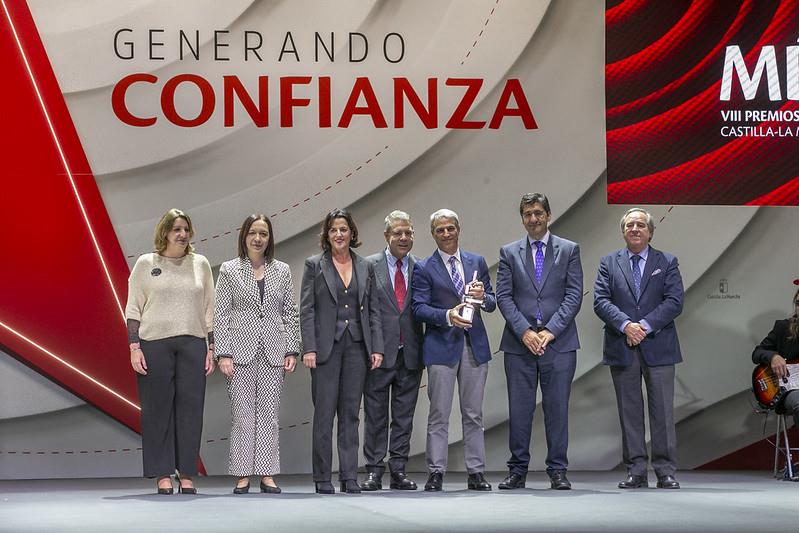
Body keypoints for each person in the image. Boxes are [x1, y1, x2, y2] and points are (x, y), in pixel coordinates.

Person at [496, 193, 583, 490]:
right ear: (522, 218)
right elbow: (503, 297)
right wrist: (525, 332)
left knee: (557, 410)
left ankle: (558, 471)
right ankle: (517, 471)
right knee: (519, 411)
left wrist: (550, 331)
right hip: (519, 344)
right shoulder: (509, 252)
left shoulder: (569, 250)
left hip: (558, 343)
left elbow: (574, 295)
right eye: (527, 214)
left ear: (548, 215)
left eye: (538, 213)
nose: (533, 219)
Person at [126, 208, 215, 495]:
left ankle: (186, 472)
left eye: (186, 229)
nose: (182, 234)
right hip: (154, 344)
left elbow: (209, 309)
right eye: (176, 229)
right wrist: (134, 347)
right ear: (164, 232)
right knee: (157, 410)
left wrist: (211, 347)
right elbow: (133, 308)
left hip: (193, 343)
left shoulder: (200, 264)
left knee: (191, 411)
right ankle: (162, 473)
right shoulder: (146, 263)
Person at [593, 207, 684, 490]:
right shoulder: (609, 262)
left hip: (659, 346)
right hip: (622, 345)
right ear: (623, 232)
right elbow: (600, 301)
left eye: (640, 225)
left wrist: (642, 326)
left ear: (650, 232)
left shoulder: (666, 261)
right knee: (629, 412)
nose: (634, 229)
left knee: (662, 412)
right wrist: (626, 326)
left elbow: (674, 301)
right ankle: (636, 471)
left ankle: (665, 471)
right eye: (629, 225)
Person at [214, 214, 300, 494]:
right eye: (253, 232)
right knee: (242, 414)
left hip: (273, 351)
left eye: (263, 233)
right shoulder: (229, 270)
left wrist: (292, 348)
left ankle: (266, 474)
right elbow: (221, 314)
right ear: (244, 236)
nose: (258, 238)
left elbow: (290, 313)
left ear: (269, 238)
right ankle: (242, 474)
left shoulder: (282, 270)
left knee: (268, 414)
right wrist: (223, 353)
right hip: (239, 352)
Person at [300, 208, 384, 494]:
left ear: (351, 233)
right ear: (327, 234)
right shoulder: (315, 265)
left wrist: (377, 347)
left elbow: (373, 309)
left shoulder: (365, 266)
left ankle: (349, 476)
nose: (339, 234)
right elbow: (307, 310)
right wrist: (309, 348)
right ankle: (323, 477)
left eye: (343, 229)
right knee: (324, 415)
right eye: (333, 229)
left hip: (357, 348)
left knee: (350, 414)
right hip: (325, 348)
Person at [411, 208, 496, 492]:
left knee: (473, 413)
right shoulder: (424, 267)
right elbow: (418, 308)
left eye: (450, 228)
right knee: (439, 413)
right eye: (440, 230)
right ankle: (436, 471)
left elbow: (492, 302)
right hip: (441, 347)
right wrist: (448, 315)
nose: (446, 233)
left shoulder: (476, 261)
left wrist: (483, 298)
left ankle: (476, 472)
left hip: (474, 346)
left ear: (458, 229)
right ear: (433, 234)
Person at [360, 211, 424, 491]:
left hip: (410, 353)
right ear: (387, 236)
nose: (403, 238)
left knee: (403, 416)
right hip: (378, 354)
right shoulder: (368, 265)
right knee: (375, 415)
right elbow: (364, 311)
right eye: (398, 233)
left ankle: (398, 470)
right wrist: (370, 348)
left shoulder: (420, 267)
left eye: (408, 233)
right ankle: (374, 471)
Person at [752, 286, 799, 428]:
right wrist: (773, 357)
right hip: (789, 389)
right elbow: (757, 352)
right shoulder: (783, 327)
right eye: (798, 303)